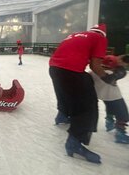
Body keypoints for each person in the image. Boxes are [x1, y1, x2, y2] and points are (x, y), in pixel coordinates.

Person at [49, 24, 115, 164]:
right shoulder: (100, 38)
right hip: (71, 70)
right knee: (87, 105)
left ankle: (62, 115)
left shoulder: (76, 34)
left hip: (54, 68)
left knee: (65, 93)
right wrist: (108, 78)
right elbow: (95, 65)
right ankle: (74, 142)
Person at [90, 54, 129, 144]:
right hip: (114, 96)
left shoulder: (94, 72)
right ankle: (120, 134)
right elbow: (118, 74)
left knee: (110, 107)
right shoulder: (112, 73)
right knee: (123, 114)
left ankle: (109, 122)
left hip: (103, 95)